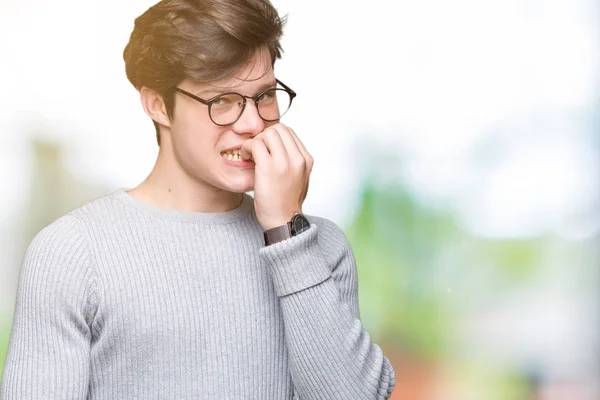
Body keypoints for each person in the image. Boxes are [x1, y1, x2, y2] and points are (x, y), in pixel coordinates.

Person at [0, 0, 396, 398]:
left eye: (265, 96)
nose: (253, 123)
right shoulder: (73, 252)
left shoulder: (318, 249)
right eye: (220, 101)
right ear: (158, 105)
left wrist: (288, 235)